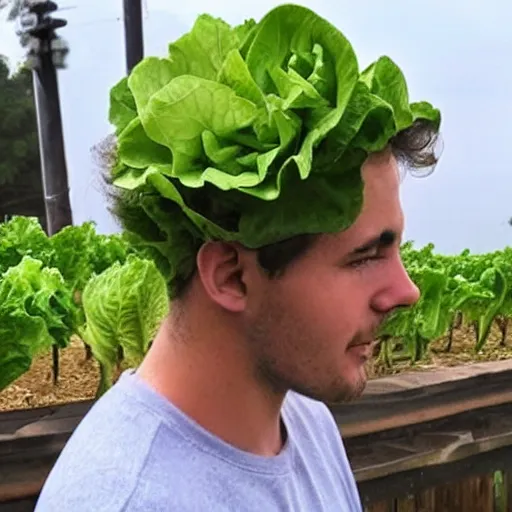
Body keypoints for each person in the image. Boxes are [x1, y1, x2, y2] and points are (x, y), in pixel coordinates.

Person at [35, 4, 441, 511]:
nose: (407, 291)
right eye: (363, 257)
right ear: (231, 276)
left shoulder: (305, 423)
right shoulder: (126, 500)